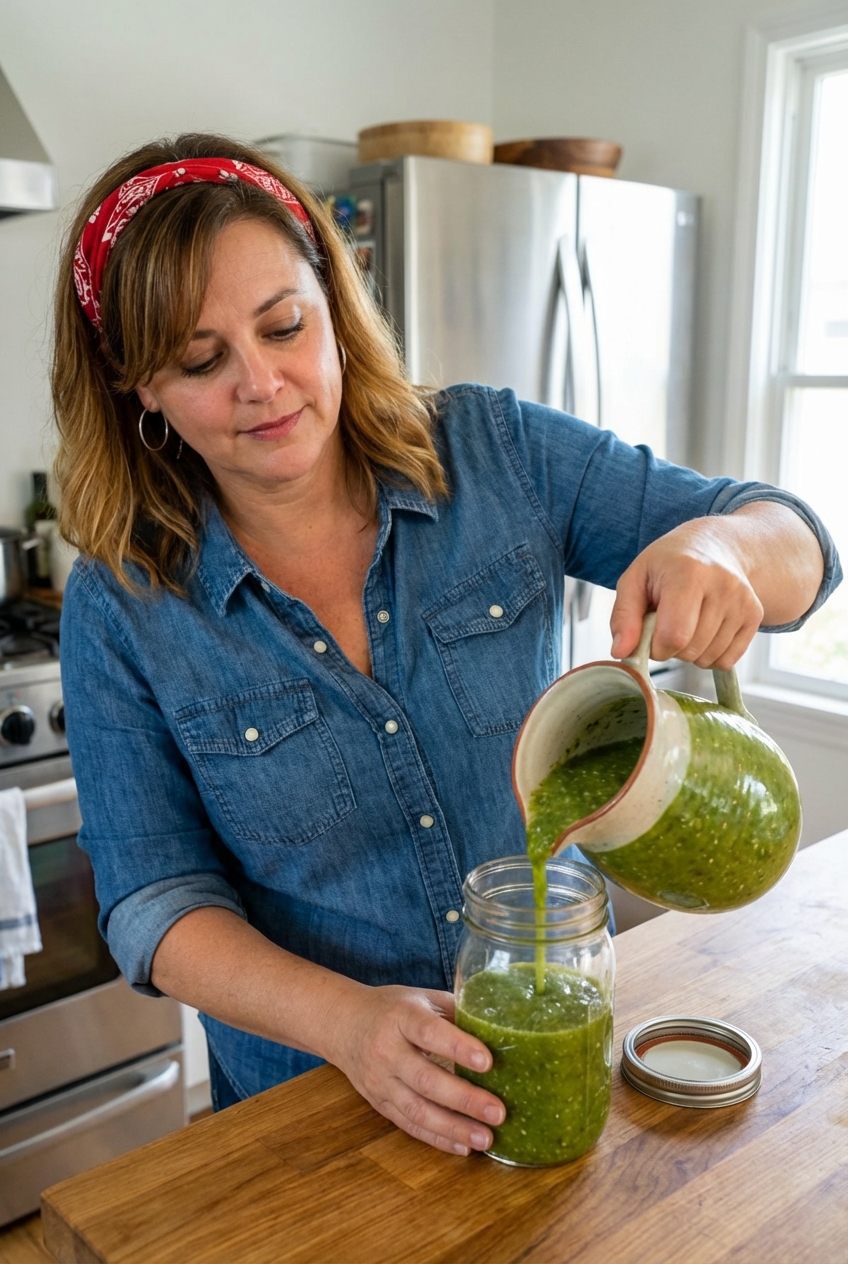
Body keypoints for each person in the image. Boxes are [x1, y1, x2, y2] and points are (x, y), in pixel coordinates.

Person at [54, 134, 840, 1157]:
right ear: (138, 387)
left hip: (557, 1053)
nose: (262, 382)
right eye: (202, 361)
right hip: (314, 1115)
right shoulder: (121, 602)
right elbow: (154, 904)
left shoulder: (491, 452)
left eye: (283, 324)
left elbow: (800, 546)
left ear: (334, 303)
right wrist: (349, 1023)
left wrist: (723, 547)